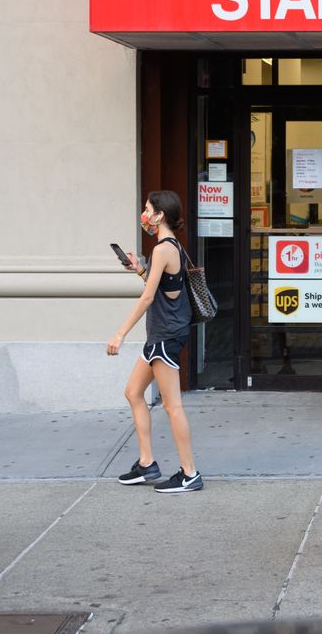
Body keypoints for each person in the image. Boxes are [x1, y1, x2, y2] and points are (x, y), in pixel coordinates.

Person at [106, 190, 203, 493]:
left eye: (147, 209)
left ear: (160, 215)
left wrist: (120, 333)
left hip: (166, 336)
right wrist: (140, 269)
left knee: (173, 407)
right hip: (160, 335)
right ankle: (147, 463)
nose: (144, 215)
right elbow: (164, 289)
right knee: (133, 392)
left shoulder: (163, 248)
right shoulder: (169, 247)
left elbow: (149, 297)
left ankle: (190, 473)